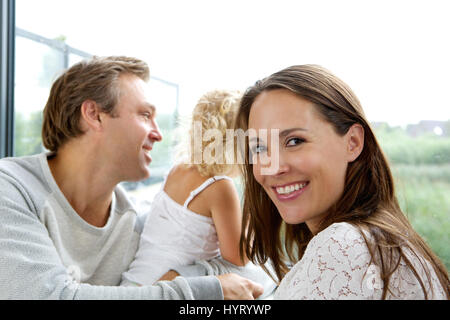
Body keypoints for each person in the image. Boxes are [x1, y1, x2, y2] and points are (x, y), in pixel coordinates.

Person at [0, 56, 265, 300]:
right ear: (94, 115)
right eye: (145, 115)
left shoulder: (132, 222)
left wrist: (189, 275)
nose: (159, 134)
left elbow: (246, 272)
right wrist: (205, 288)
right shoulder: (10, 188)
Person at [234, 64, 450, 299]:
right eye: (259, 147)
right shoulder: (378, 239)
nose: (273, 167)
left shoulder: (342, 247)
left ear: (353, 142)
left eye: (295, 141)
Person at [121, 89, 248, 286]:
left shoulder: (177, 170)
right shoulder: (220, 187)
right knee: (257, 276)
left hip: (132, 284)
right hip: (162, 292)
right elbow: (238, 258)